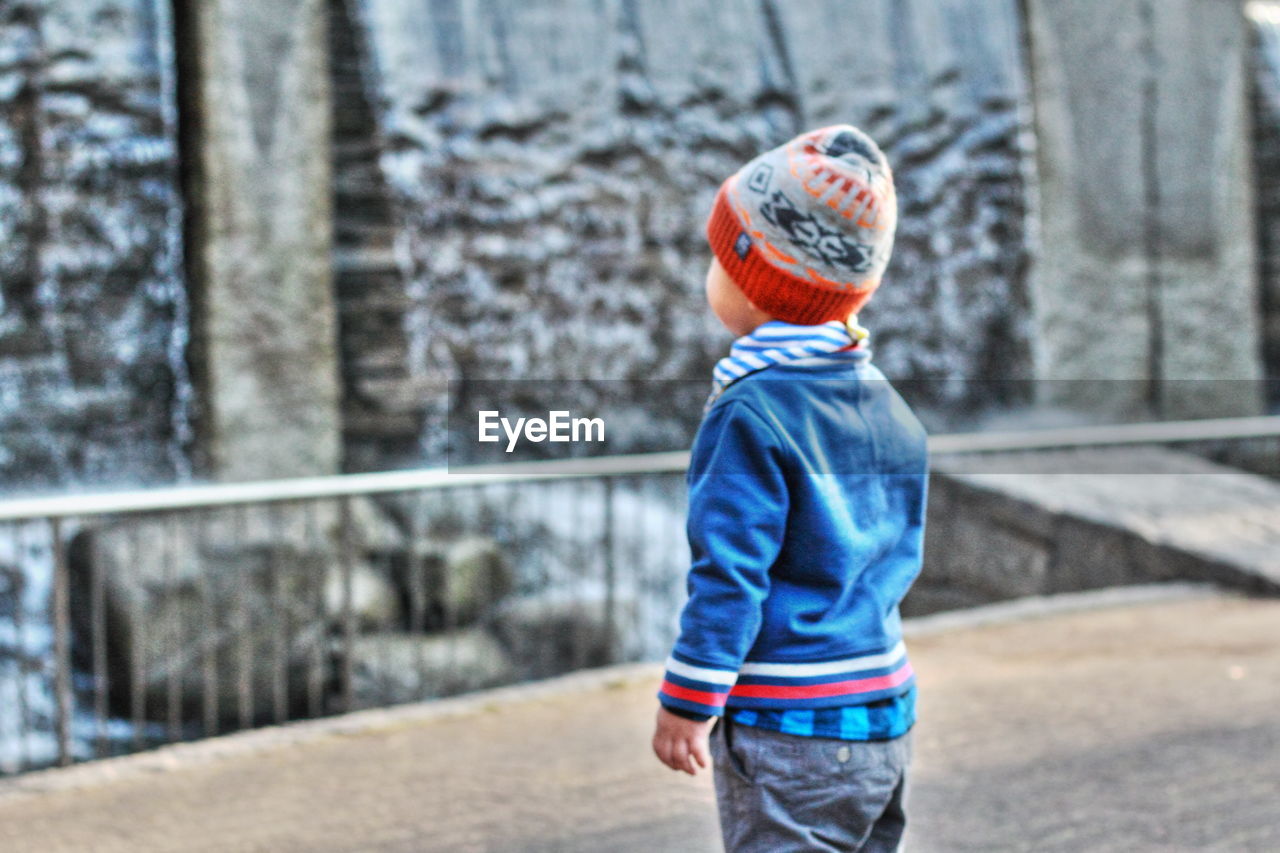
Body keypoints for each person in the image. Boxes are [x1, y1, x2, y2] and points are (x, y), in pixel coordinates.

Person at [650, 124, 928, 853]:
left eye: (719, 254)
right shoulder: (887, 403)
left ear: (754, 278)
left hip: (790, 727)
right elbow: (893, 556)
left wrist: (688, 701)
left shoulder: (749, 411)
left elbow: (729, 576)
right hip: (882, 715)